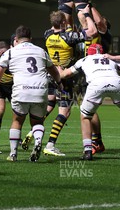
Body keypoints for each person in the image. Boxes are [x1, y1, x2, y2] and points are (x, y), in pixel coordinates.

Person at [25, 10, 93, 157]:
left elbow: (56, 28)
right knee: (65, 111)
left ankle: (34, 130)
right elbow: (90, 33)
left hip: (50, 74)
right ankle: (50, 144)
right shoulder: (69, 37)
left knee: (49, 105)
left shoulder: (47, 34)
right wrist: (82, 18)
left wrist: (64, 21)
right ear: (63, 22)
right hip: (64, 77)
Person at [0, 25, 61, 162]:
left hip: (21, 90)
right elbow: (53, 70)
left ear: (16, 39)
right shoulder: (41, 51)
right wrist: (60, 83)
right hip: (40, 90)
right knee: (37, 121)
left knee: (17, 121)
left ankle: (13, 154)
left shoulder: (10, 52)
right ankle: (38, 141)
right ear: (31, 38)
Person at [0, 34, 16, 148]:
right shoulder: (0, 55)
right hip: (0, 86)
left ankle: (16, 137)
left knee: (17, 113)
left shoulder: (18, 55)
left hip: (14, 86)